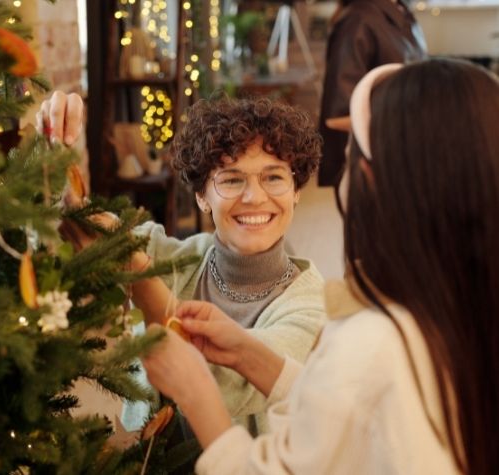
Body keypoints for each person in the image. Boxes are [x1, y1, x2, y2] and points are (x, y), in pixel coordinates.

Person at [141, 58, 499, 474]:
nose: (254, 197)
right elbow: (352, 412)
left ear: (375, 180)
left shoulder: (371, 336)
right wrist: (248, 354)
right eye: (232, 179)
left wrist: (194, 387)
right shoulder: (462, 308)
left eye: (350, 157)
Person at [37, 93, 326, 435]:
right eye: (232, 179)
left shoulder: (313, 308)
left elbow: (229, 384)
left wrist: (140, 276)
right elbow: (62, 231)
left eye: (274, 177)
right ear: (202, 196)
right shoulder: (174, 259)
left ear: (296, 190)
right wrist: (54, 154)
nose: (255, 197)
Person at [318, 0, 426, 186]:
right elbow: (340, 112)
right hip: (377, 158)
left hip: (405, 149)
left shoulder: (403, 14)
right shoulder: (358, 20)